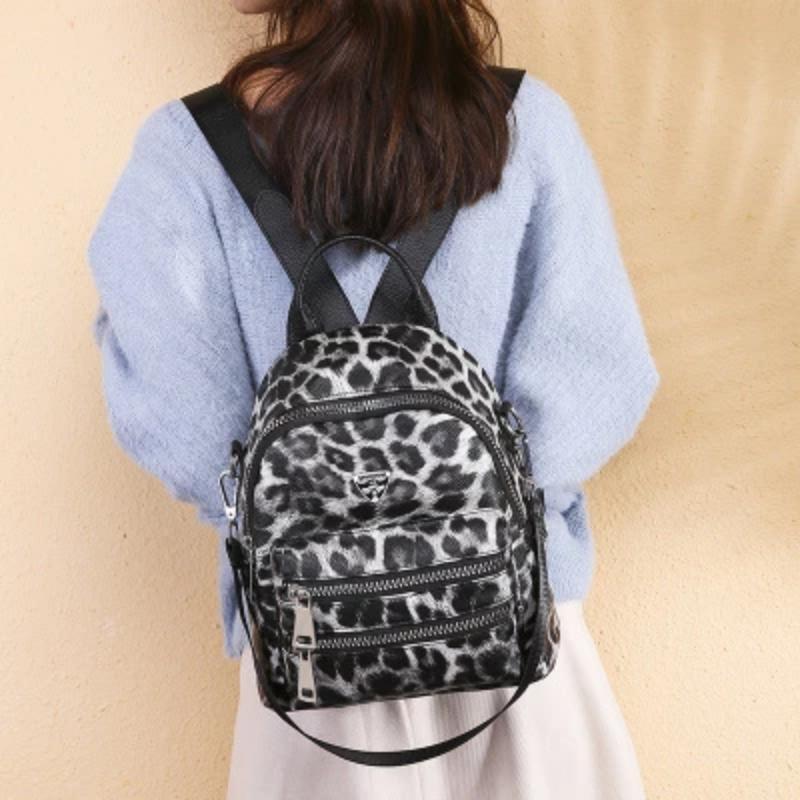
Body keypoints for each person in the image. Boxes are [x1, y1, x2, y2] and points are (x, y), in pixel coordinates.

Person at [87, 1, 660, 797]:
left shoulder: (185, 153)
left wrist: (314, 529)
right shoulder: (525, 123)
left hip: (312, 656)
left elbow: (182, 428)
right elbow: (603, 374)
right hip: (517, 640)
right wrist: (476, 524)